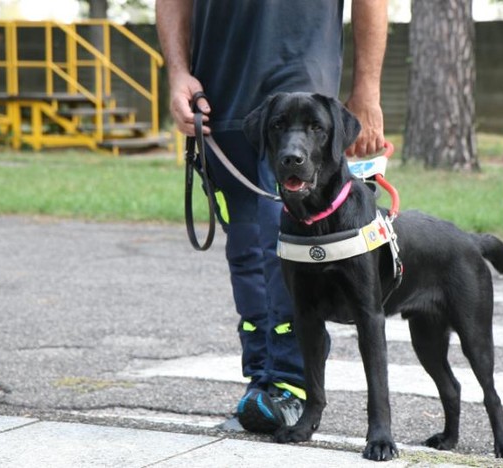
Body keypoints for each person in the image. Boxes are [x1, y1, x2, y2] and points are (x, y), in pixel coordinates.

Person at [156, 0, 387, 434]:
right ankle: (262, 380)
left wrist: (367, 89)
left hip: (300, 73)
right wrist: (177, 72)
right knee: (245, 251)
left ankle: (293, 384)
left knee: (280, 238)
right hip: (219, 92)